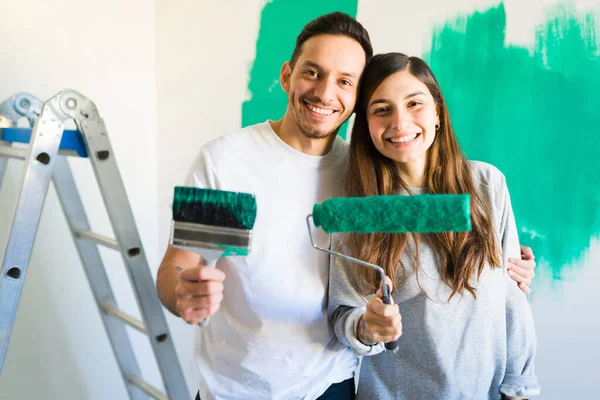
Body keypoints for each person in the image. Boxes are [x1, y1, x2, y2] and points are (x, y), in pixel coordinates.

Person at [155, 12, 536, 400]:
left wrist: (500, 268)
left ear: (355, 100)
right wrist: (183, 292)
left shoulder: (364, 176)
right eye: (312, 73)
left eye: (344, 81)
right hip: (238, 389)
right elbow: (181, 264)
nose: (324, 93)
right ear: (287, 75)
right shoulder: (227, 161)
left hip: (332, 386)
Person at [328, 52, 540, 399]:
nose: (399, 123)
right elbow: (343, 314)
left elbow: (511, 299)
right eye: (382, 109)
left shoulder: (487, 185)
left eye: (415, 104)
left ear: (438, 112)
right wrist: (367, 327)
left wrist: (521, 387)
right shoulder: (360, 212)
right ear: (366, 125)